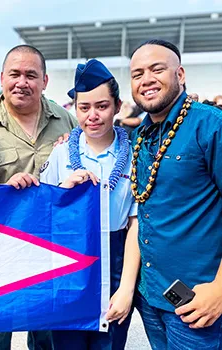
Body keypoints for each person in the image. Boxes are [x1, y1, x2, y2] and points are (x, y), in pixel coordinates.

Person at [0, 44, 77, 350]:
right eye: (15, 74)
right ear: (2, 78)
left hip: (51, 248)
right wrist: (3, 191)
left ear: (45, 81)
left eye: (31, 75)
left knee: (45, 331)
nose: (22, 82)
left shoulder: (67, 121)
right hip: (0, 249)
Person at [40, 59, 139, 350]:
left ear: (117, 106)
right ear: (75, 108)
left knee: (108, 344)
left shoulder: (133, 155)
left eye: (102, 106)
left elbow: (135, 222)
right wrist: (64, 191)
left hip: (116, 258)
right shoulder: (60, 154)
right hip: (68, 260)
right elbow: (44, 215)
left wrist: (126, 289)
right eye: (84, 108)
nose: (92, 116)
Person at [129, 39, 222, 349]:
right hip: (152, 295)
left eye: (157, 69)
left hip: (199, 301)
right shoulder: (140, 136)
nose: (146, 80)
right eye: (137, 73)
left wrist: (220, 289)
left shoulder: (210, 126)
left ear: (180, 74)